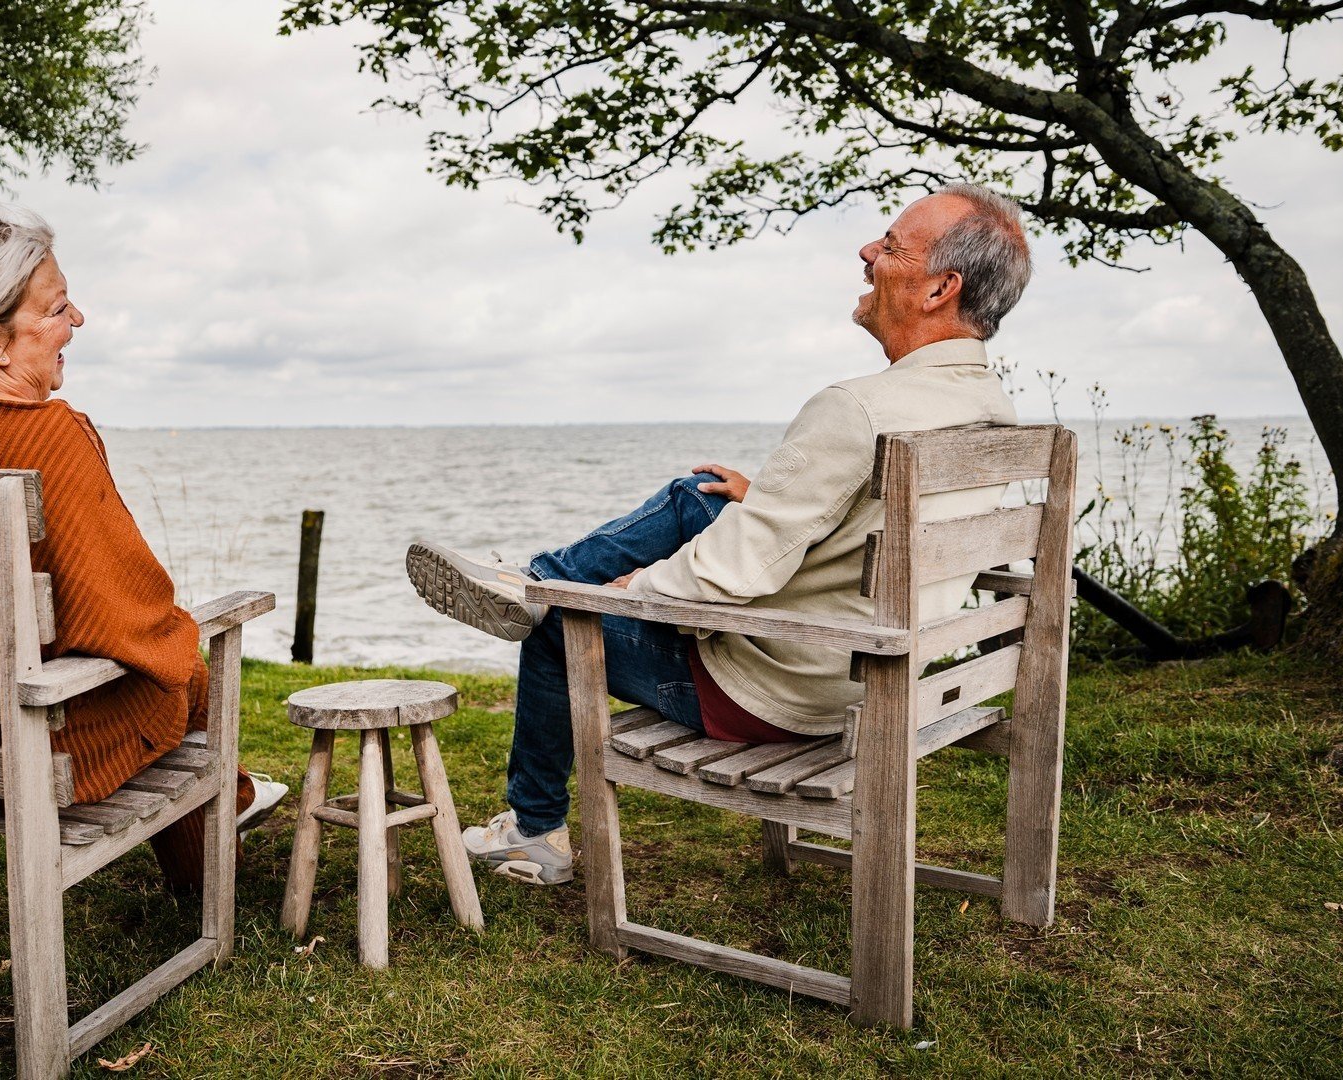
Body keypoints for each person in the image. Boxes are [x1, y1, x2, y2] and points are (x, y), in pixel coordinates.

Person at [407, 183, 1031, 886]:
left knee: (558, 621)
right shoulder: (992, 413)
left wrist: (631, 590)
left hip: (780, 692)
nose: (866, 252)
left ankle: (533, 826)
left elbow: (733, 572)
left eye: (889, 246)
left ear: (940, 288)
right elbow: (880, 532)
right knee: (697, 496)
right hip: (873, 677)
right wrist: (762, 498)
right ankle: (530, 580)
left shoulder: (857, 408)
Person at [0, 199, 286, 892]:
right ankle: (213, 869)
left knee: (158, 667)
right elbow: (127, 620)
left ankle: (233, 812)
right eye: (57, 308)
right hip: (15, 754)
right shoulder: (47, 441)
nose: (78, 321)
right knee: (181, 676)